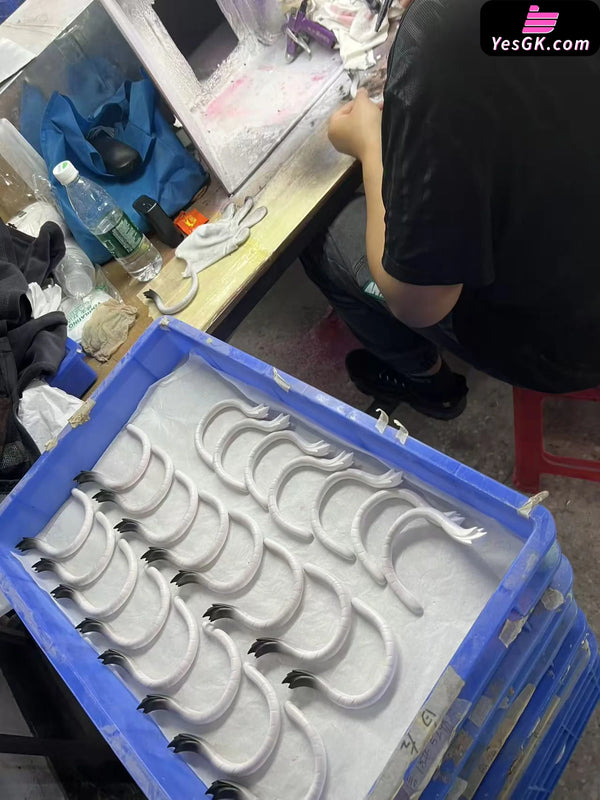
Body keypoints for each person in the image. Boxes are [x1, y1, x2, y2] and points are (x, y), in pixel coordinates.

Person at [301, 0, 600, 420]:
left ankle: (427, 381)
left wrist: (370, 145)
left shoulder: (441, 31)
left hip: (562, 343)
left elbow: (418, 302)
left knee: (316, 231)